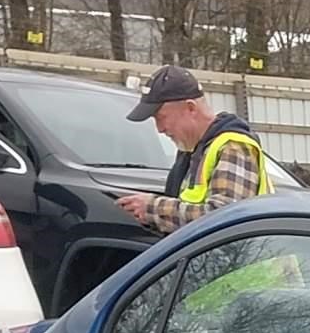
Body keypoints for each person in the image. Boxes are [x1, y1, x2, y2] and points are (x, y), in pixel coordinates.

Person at [116, 66, 277, 234]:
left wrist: (152, 208)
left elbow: (226, 219)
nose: (159, 129)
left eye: (161, 118)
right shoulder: (194, 151)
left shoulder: (232, 147)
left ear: (191, 108)